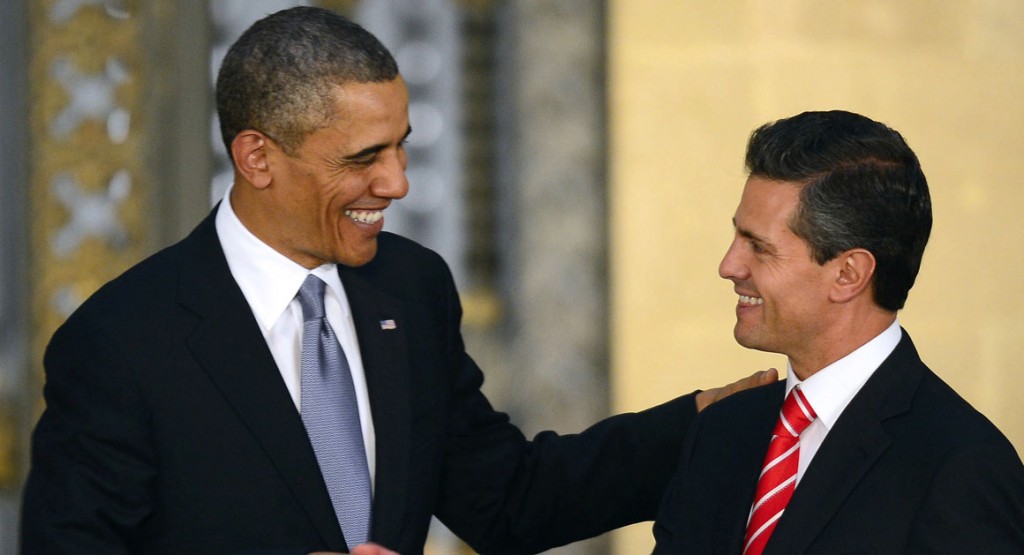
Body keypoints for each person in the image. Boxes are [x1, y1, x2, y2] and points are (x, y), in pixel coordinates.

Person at [20, 7, 774, 554]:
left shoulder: (409, 289)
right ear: (257, 158)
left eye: (403, 147)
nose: (398, 182)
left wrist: (702, 428)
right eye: (364, 157)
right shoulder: (122, 342)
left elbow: (507, 499)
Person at [652, 110, 1024, 554]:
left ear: (849, 274)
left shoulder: (961, 465)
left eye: (759, 247)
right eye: (736, 236)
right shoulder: (720, 432)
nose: (728, 266)